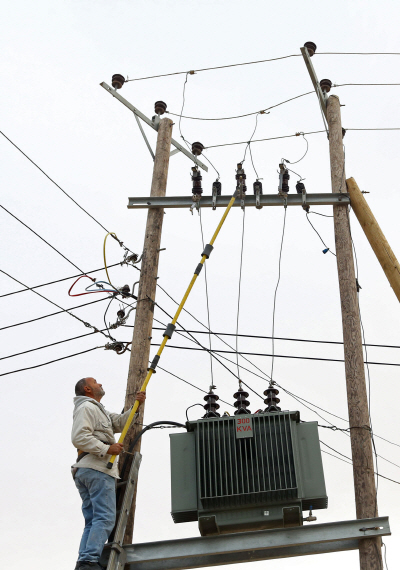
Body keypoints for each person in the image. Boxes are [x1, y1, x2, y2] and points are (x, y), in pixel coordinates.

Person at [71, 377, 146, 570]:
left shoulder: (98, 409)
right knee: (104, 517)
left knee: (93, 520)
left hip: (88, 469)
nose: (101, 384)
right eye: (96, 382)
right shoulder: (87, 408)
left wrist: (135, 407)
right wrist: (106, 448)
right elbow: (79, 437)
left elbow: (120, 423)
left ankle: (84, 562)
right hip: (97, 468)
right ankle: (89, 560)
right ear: (87, 389)